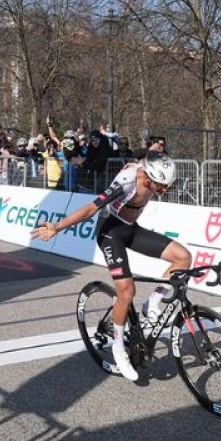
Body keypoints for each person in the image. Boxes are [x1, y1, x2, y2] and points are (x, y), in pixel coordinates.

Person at [31, 154, 190, 382]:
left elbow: (152, 152)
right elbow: (90, 209)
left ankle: (152, 303)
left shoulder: (148, 170)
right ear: (147, 179)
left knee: (183, 257)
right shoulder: (126, 182)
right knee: (127, 291)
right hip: (109, 232)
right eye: (161, 186)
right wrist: (56, 228)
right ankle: (118, 348)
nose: (163, 191)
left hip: (131, 228)